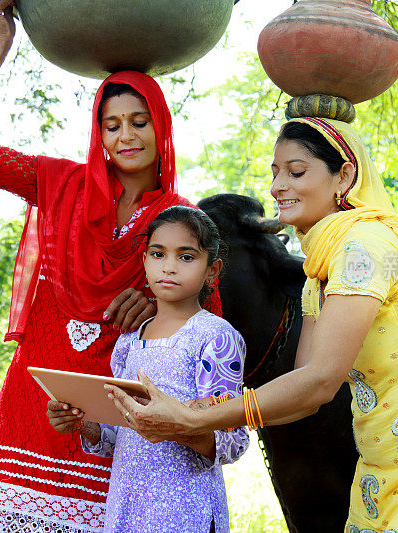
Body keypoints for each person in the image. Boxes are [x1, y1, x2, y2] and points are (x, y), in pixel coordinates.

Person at [107, 118, 398, 532]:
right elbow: (304, 390)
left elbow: (321, 382)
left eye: (297, 172)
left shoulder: (363, 245)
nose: (279, 186)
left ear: (344, 176)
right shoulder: (319, 268)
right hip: (383, 464)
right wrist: (196, 415)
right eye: (276, 171)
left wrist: (188, 417)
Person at [0, 1, 221, 531]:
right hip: (35, 393)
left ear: (161, 127)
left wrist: (163, 305)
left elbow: (208, 322)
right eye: (111, 125)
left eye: (139, 121)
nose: (125, 136)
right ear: (99, 135)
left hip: (109, 421)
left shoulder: (183, 224)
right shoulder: (59, 182)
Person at [46, 206, 248, 533]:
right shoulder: (128, 344)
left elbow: (233, 438)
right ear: (144, 262)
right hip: (127, 508)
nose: (169, 267)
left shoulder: (216, 338)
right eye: (158, 254)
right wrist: (83, 424)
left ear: (212, 270)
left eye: (186, 257)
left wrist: (177, 426)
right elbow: (118, 436)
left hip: (185, 510)